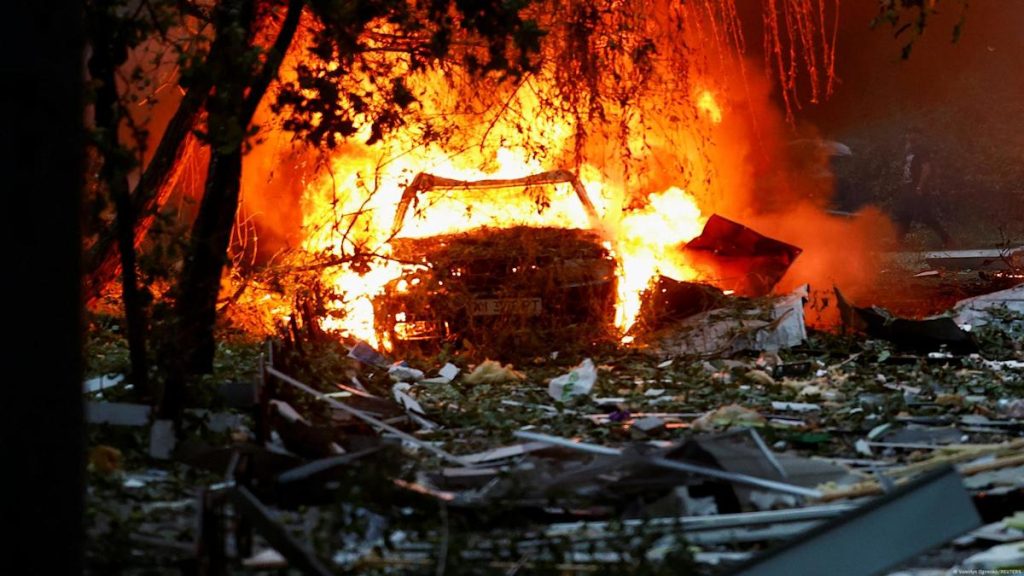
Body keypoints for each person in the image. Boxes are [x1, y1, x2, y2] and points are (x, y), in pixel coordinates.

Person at [892, 127, 954, 248]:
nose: (910, 136)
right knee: (904, 215)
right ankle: (898, 243)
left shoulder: (921, 149)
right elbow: (905, 169)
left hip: (917, 187)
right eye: (908, 133)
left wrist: (920, 186)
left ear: (919, 136)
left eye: (913, 133)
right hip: (907, 187)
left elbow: (926, 168)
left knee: (926, 216)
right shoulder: (908, 151)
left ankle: (947, 240)